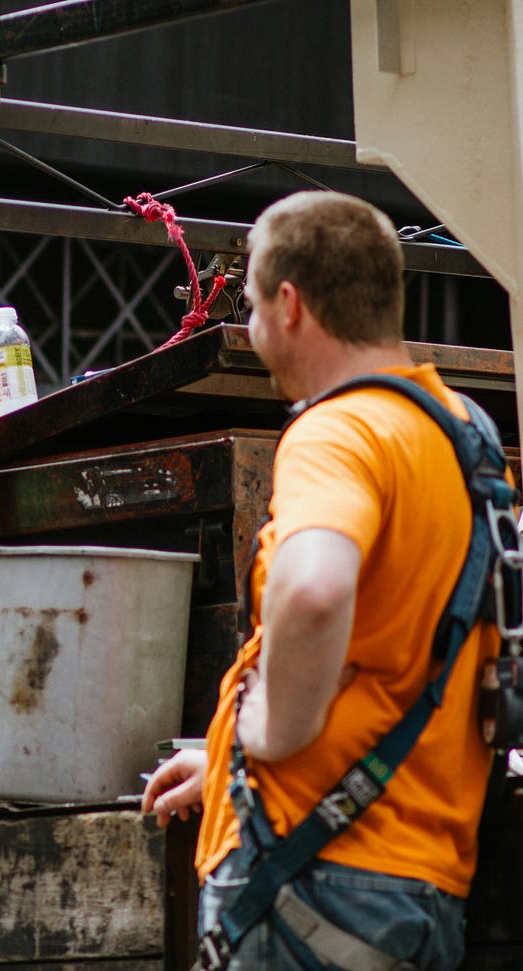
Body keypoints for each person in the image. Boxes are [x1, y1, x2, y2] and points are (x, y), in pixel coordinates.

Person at [141, 191, 498, 970]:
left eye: (252, 303)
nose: (250, 323)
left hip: (311, 879)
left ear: (290, 304)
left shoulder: (335, 431)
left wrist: (268, 732)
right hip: (418, 882)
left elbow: (314, 591)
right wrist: (226, 758)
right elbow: (399, 655)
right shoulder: (464, 434)